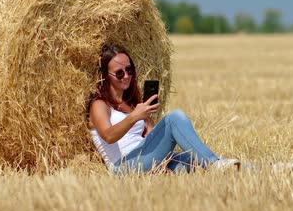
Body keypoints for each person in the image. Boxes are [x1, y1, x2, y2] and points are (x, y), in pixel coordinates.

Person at [87, 43, 241, 174]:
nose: (126, 76)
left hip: (147, 158)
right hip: (123, 167)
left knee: (198, 162)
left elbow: (151, 137)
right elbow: (108, 136)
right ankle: (214, 164)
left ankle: (254, 168)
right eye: (119, 73)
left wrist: (146, 120)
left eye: (130, 70)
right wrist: (135, 116)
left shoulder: (132, 104)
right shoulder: (99, 104)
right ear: (106, 76)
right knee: (174, 118)